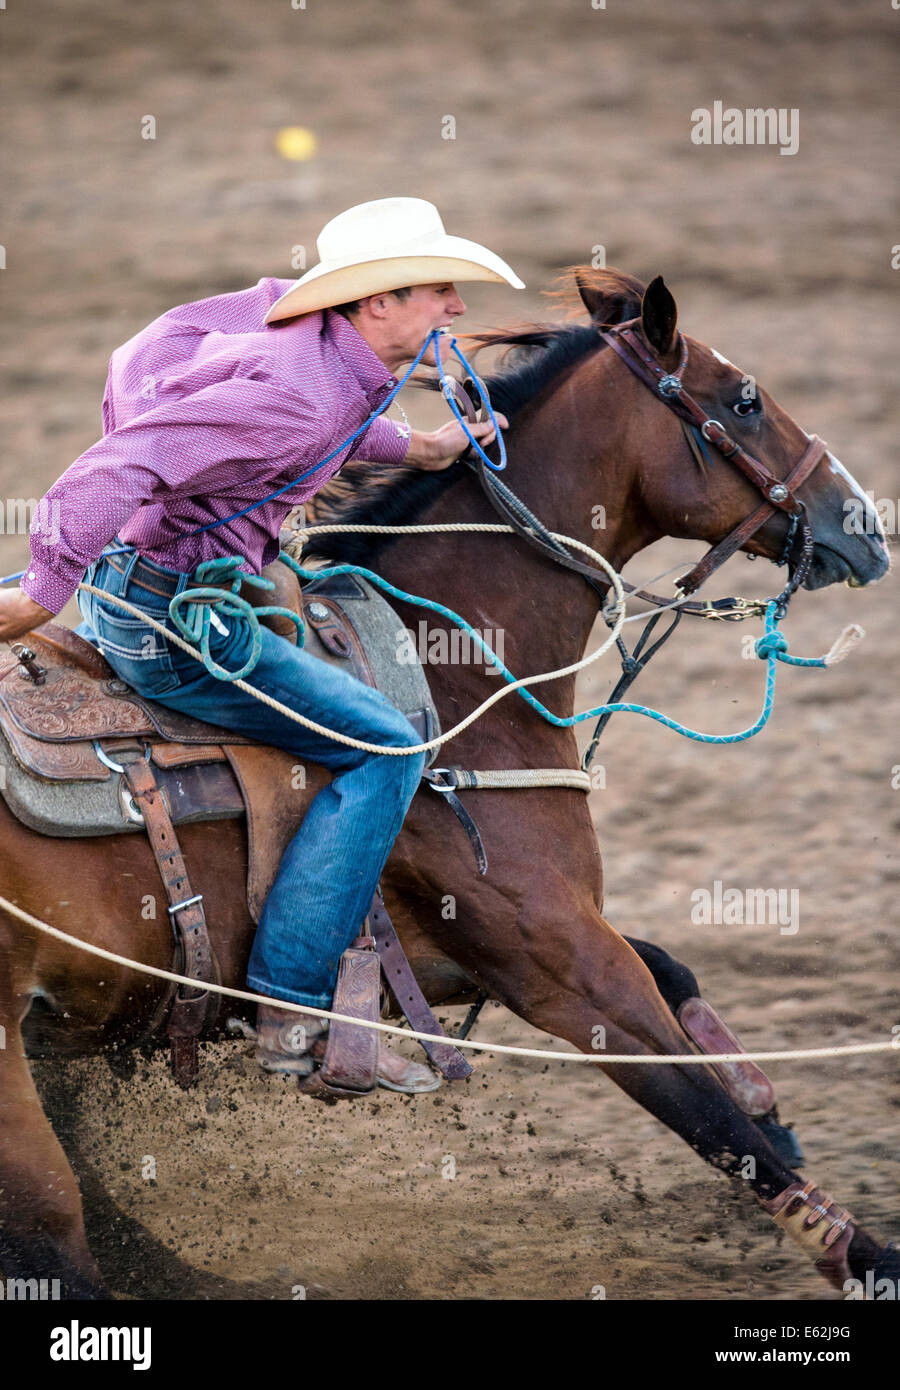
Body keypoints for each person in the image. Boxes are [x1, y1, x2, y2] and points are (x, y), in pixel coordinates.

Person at [0, 197, 524, 1091]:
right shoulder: (298, 391)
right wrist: (46, 586)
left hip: (152, 579)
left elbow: (171, 363)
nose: (459, 310)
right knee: (386, 746)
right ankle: (297, 1013)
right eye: (440, 290)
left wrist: (424, 451)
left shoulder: (303, 332)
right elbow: (126, 462)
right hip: (177, 622)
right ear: (377, 303)